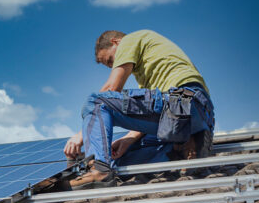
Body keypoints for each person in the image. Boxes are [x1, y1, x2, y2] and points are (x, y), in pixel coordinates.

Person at [63, 29, 215, 190]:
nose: (113, 66)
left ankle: (99, 169)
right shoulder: (151, 74)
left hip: (182, 97)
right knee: (120, 159)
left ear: (116, 42)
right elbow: (151, 112)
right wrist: (129, 139)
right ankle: (183, 148)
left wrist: (82, 134)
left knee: (95, 101)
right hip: (197, 114)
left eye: (110, 60)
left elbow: (112, 89)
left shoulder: (131, 40)